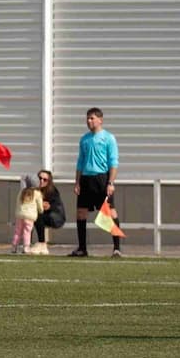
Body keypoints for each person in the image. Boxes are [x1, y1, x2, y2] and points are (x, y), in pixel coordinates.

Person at [70, 107, 120, 257]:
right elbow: (80, 162)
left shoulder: (108, 138)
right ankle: (82, 248)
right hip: (86, 179)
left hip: (101, 179)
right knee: (81, 213)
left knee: (110, 212)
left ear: (100, 120)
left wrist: (110, 183)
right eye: (87, 118)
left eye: (92, 118)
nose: (89, 121)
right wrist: (77, 182)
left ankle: (116, 248)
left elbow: (113, 162)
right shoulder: (84, 139)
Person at [32, 169, 66, 255]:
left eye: (45, 179)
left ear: (49, 181)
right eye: (40, 178)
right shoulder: (34, 190)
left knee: (38, 216)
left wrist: (47, 206)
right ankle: (29, 244)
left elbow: (52, 205)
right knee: (30, 216)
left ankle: (42, 243)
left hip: (56, 216)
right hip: (45, 214)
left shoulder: (52, 191)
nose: (41, 181)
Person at [12, 182, 41, 255]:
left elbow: (17, 203)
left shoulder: (21, 192)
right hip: (30, 216)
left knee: (17, 231)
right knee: (27, 232)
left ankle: (14, 247)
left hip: (20, 215)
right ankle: (26, 247)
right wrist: (41, 210)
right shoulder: (37, 193)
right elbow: (39, 205)